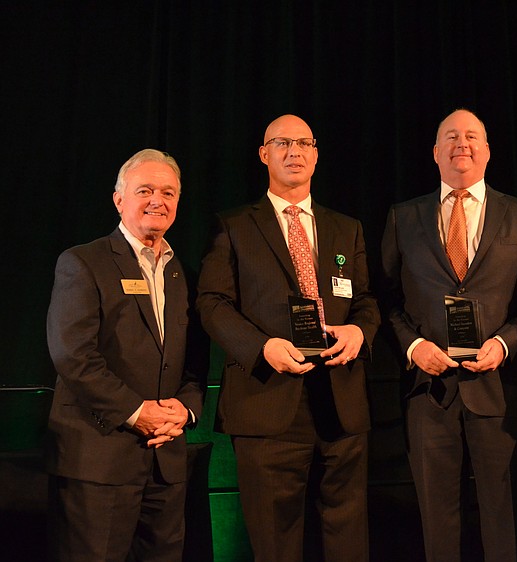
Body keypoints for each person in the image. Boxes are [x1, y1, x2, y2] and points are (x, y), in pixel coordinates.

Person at [196, 114, 380, 562]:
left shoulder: (347, 228)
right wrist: (261, 348)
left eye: (304, 143)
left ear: (316, 155)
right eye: (282, 143)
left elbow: (365, 300)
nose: (294, 151)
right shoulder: (233, 225)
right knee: (275, 546)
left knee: (348, 544)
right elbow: (212, 303)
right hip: (267, 403)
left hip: (341, 404)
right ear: (264, 155)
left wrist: (359, 331)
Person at [381, 108, 517, 562]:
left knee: (505, 522)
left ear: (487, 151)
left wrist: (506, 342)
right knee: (438, 526)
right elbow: (384, 299)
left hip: (499, 390)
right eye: (451, 137)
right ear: (435, 152)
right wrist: (414, 346)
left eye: (472, 136)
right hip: (428, 392)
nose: (462, 144)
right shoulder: (403, 217)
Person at [45, 149, 206, 561]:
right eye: (145, 190)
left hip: (166, 462)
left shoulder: (183, 274)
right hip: (98, 460)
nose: (158, 201)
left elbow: (194, 362)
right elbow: (73, 355)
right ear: (119, 200)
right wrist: (137, 412)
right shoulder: (83, 262)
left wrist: (185, 410)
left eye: (168, 192)